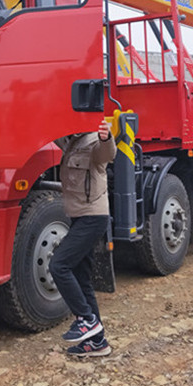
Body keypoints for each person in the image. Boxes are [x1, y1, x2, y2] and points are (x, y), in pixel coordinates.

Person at [50, 119, 116, 358]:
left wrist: (106, 137)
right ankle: (97, 342)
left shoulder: (92, 141)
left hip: (92, 217)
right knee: (82, 277)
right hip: (80, 217)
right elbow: (51, 131)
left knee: (59, 265)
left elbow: (106, 153)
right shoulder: (72, 142)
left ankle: (86, 319)